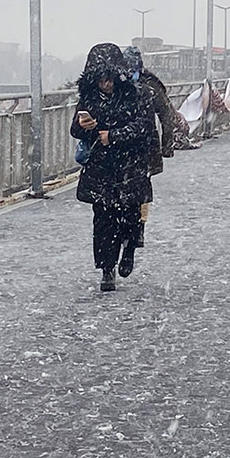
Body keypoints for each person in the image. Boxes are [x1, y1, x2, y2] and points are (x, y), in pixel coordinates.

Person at [71, 43, 154, 292]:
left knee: (129, 216)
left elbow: (144, 128)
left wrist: (114, 136)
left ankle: (128, 250)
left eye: (109, 79)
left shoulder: (136, 96)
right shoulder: (89, 98)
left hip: (129, 166)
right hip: (102, 169)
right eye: (100, 80)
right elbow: (74, 130)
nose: (105, 85)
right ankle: (107, 269)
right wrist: (83, 127)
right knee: (103, 221)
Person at [124, 46, 175, 249]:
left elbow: (166, 114)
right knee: (134, 189)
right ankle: (132, 228)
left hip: (145, 147)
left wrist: (167, 145)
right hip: (128, 146)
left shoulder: (150, 85)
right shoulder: (126, 84)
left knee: (141, 188)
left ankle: (138, 228)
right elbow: (166, 115)